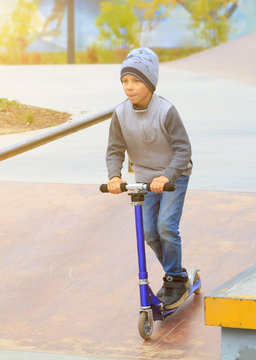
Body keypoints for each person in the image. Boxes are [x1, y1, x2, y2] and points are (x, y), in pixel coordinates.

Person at [105, 47, 193, 309]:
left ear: (151, 83)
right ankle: (176, 272)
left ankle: (175, 278)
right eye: (125, 81)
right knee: (148, 231)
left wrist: (167, 175)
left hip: (173, 176)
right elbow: (114, 149)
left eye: (136, 81)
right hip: (143, 178)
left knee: (166, 227)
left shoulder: (166, 111)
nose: (129, 87)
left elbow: (183, 149)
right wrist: (114, 176)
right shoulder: (120, 114)